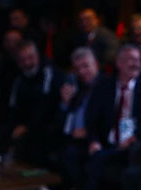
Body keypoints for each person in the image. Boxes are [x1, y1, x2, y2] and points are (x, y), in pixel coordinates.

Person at [84, 45, 141, 190]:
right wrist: (94, 141)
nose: (136, 64)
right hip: (106, 142)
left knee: (99, 161)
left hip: (134, 147)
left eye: (138, 60)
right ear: (119, 63)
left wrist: (136, 136)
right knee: (82, 155)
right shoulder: (104, 87)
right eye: (131, 59)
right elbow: (91, 118)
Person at [56, 47, 101, 189]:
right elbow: (64, 121)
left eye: (86, 66)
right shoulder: (78, 88)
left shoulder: (106, 87)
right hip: (71, 137)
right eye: (77, 69)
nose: (81, 72)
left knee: (70, 154)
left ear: (96, 65)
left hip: (94, 139)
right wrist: (65, 102)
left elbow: (109, 119)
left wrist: (88, 133)